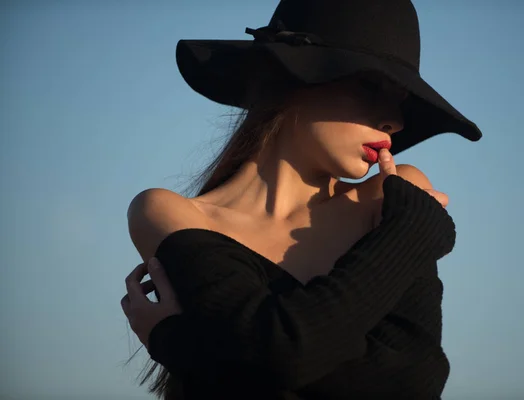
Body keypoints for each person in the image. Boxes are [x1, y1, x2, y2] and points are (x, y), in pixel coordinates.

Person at [120, 0, 482, 398]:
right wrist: (410, 234)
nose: (393, 120)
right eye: (370, 85)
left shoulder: (390, 196)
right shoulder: (169, 213)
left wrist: (180, 345)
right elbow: (286, 354)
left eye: (401, 101)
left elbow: (412, 381)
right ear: (292, 75)